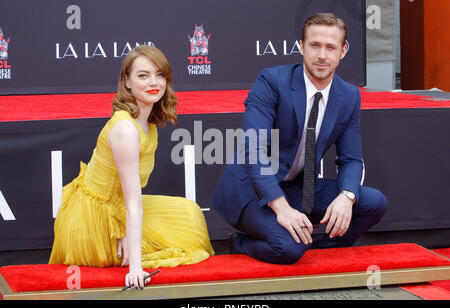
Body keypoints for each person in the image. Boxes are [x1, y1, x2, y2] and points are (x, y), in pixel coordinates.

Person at [211, 13, 387, 265]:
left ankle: (319, 250)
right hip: (253, 189)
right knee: (288, 248)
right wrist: (281, 208)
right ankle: (238, 243)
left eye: (331, 47)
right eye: (315, 45)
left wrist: (346, 196)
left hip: (300, 189)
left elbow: (350, 158)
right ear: (302, 47)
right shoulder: (272, 81)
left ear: (343, 51)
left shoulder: (348, 95)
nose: (322, 55)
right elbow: (253, 149)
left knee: (373, 202)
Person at [49, 45, 214, 289]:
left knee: (190, 214)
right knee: (190, 236)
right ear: (126, 81)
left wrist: (125, 229)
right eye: (143, 75)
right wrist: (136, 267)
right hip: (92, 221)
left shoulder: (148, 122)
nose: (153, 82)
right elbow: (133, 202)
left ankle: (130, 240)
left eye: (160, 75)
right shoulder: (126, 129)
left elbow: (129, 199)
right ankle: (121, 253)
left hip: (117, 208)